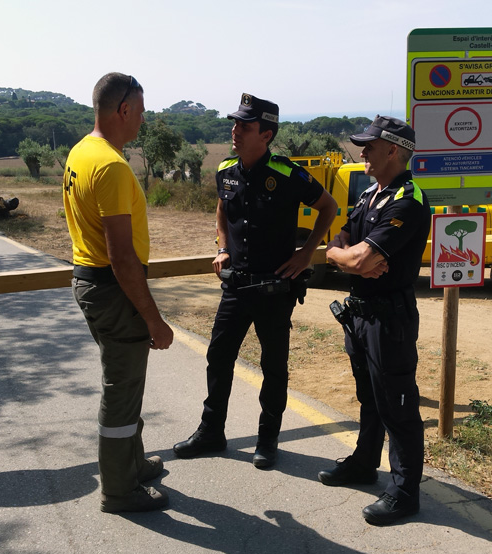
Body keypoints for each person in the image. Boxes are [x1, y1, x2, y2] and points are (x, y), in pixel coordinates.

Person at [173, 93, 337, 469]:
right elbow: (221, 207)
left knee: (274, 366)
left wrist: (306, 252)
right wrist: (221, 245)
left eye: (244, 127)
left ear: (265, 134)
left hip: (274, 288)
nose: (235, 131)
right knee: (218, 357)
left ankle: (268, 439)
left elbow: (329, 207)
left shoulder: (287, 174)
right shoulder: (226, 170)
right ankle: (211, 432)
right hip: (235, 285)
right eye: (234, 124)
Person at [62, 72, 174, 513]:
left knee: (128, 383)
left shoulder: (82, 151)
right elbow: (122, 257)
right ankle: (119, 489)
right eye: (142, 111)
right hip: (112, 288)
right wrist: (154, 319)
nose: (144, 120)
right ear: (123, 110)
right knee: (121, 389)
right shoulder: (109, 165)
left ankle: (133, 464)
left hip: (92, 281)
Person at [322, 115, 430, 526]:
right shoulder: (371, 195)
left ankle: (405, 492)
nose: (362, 151)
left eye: (369, 146)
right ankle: (365, 463)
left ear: (394, 151)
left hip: (390, 319)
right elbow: (340, 243)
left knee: (398, 406)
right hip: (361, 315)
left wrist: (354, 261)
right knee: (369, 399)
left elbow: (361, 257)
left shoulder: (407, 200)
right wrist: (345, 259)